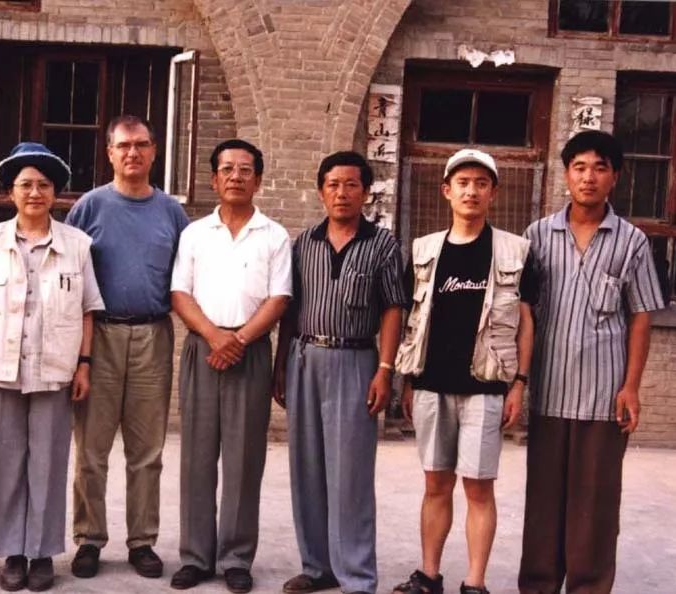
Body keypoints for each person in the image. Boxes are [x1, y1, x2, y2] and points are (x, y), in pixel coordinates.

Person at [518, 131, 665, 594]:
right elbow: (521, 314)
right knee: (543, 503)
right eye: (579, 167)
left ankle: (589, 586)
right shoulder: (537, 236)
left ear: (614, 177)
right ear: (566, 174)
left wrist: (631, 387)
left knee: (595, 506)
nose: (589, 177)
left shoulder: (632, 241)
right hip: (548, 391)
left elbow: (641, 317)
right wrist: (518, 381)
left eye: (600, 168)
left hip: (604, 396)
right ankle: (539, 585)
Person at [0, 142, 104, 591]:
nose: (35, 193)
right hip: (2, 368)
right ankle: (12, 552)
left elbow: (88, 309)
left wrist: (83, 365)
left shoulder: (77, 245)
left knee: (48, 462)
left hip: (55, 370)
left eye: (44, 185)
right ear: (11, 193)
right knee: (6, 462)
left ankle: (41, 553)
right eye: (25, 185)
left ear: (56, 194)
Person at [393, 148, 536, 594]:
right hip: (432, 385)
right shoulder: (424, 249)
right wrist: (408, 382)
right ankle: (429, 575)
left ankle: (475, 582)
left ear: (493, 192)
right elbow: (412, 321)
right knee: (436, 484)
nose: (471, 191)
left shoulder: (514, 250)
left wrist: (519, 384)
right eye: (463, 183)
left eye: (481, 183)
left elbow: (526, 323)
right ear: (447, 191)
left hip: (486, 388)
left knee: (478, 488)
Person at [273, 151, 407, 594]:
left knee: (350, 473)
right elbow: (289, 310)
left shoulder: (382, 245)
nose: (342, 193)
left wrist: (385, 370)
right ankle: (317, 567)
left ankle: (356, 575)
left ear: (366, 192)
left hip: (356, 360)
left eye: (351, 184)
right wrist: (281, 365)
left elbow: (393, 308)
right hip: (305, 356)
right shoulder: (304, 244)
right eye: (333, 184)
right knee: (307, 466)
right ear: (320, 191)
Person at [65, 115, 189, 579]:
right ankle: (89, 539)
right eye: (123, 146)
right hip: (99, 336)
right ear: (110, 153)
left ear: (154, 151)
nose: (132, 153)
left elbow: (187, 275)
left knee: (147, 451)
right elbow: (69, 275)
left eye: (141, 144)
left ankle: (142, 541)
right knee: (91, 450)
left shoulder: (171, 212)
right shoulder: (89, 207)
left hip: (153, 335)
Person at [169, 139, 291, 593]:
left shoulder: (274, 235)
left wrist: (237, 339)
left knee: (244, 459)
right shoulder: (195, 233)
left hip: (250, 350)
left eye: (245, 170)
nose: (236, 176)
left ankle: (236, 557)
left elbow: (279, 298)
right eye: (227, 169)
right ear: (214, 179)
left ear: (258, 180)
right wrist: (214, 336)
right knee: (197, 457)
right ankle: (196, 557)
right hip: (203, 346)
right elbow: (180, 292)